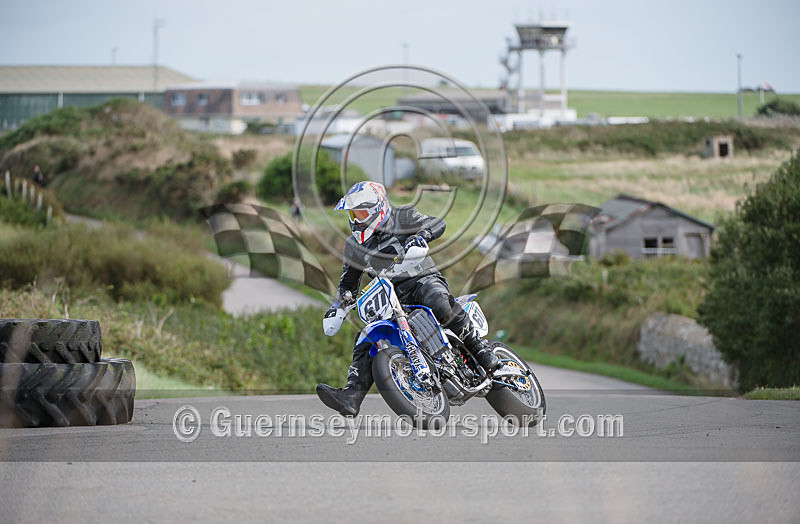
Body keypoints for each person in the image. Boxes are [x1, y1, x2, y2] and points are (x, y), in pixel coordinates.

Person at [316, 181, 501, 417]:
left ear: (378, 208)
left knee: (438, 301)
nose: (355, 219)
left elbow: (437, 223)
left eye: (361, 213)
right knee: (366, 336)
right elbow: (348, 283)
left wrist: (421, 235)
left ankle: (482, 350)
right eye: (353, 213)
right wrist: (338, 305)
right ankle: (351, 396)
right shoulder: (354, 245)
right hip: (392, 298)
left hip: (422, 280)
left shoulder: (403, 216)